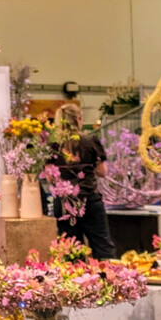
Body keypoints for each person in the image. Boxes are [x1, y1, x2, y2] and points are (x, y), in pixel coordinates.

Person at [50, 106, 116, 259]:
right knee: (102, 247)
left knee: (71, 250)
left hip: (64, 203)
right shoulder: (90, 141)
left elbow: (50, 177)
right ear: (78, 119)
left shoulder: (53, 145)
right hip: (89, 200)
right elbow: (102, 172)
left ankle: (74, 281)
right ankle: (108, 279)